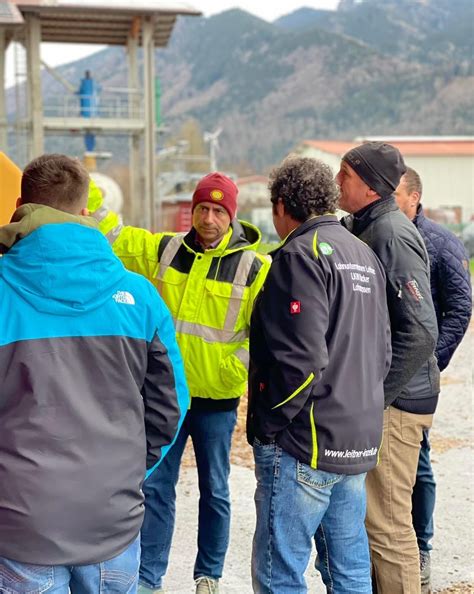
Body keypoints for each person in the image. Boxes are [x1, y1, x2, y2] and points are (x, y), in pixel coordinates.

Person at [0, 154, 189, 594]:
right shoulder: (139, 297)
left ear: (21, 207)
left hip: (22, 522)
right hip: (111, 518)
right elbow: (172, 405)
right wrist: (127, 471)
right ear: (85, 211)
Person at [88, 172, 270, 594]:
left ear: (232, 216)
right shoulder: (167, 249)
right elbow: (113, 233)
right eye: (203, 208)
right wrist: (83, 185)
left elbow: (264, 334)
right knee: (155, 486)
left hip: (215, 400)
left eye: (218, 211)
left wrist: (231, 371)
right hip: (165, 395)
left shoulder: (254, 267)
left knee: (216, 490)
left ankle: (209, 575)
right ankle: (149, 577)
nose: (208, 218)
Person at [247, 156, 391, 593]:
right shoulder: (362, 252)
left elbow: (302, 360)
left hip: (304, 442)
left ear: (282, 206)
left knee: (280, 575)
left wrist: (270, 426)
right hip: (356, 440)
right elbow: (383, 350)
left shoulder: (299, 254)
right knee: (349, 574)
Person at [336, 142, 440, 594]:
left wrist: (376, 397)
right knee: (372, 522)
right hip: (392, 398)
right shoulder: (367, 227)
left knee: (387, 526)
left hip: (399, 403)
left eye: (345, 175)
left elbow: (421, 331)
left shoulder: (391, 234)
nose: (337, 182)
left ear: (368, 184)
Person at [395, 166, 472, 592]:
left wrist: (429, 363)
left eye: (396, 194)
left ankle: (421, 547)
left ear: (415, 197)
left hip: (418, 376)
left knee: (419, 461)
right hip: (380, 371)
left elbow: (460, 310)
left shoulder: (441, 244)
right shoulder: (378, 236)